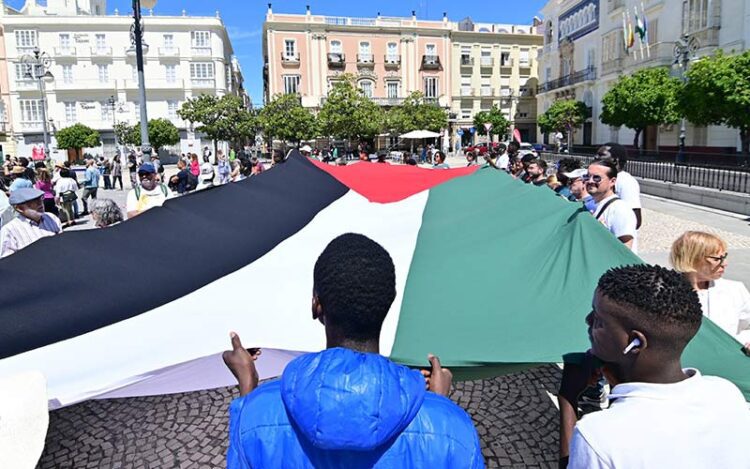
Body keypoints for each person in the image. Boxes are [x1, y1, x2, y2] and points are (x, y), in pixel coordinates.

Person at [223, 233, 484, 468]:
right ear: (389, 303)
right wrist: (440, 407)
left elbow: (249, 447)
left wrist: (248, 386)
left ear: (316, 306)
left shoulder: (254, 417)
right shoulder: (453, 431)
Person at [558, 265, 750, 468]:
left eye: (599, 320)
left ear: (635, 342)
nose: (588, 320)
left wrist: (568, 401)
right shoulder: (725, 393)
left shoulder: (599, 436)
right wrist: (615, 376)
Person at [670, 231, 750, 350]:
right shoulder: (667, 293)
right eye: (717, 259)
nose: (724, 264)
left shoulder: (735, 290)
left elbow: (747, 327)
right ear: (692, 259)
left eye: (724, 257)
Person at [585, 160, 637, 252]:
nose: (590, 181)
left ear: (612, 181)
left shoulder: (620, 209)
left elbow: (625, 249)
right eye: (587, 176)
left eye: (597, 178)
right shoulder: (591, 205)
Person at [0, 188, 62, 257]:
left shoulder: (52, 218)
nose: (40, 203)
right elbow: (7, 261)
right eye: (33, 202)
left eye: (40, 199)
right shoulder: (9, 231)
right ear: (19, 208)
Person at [596, 143, 642, 229]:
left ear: (615, 160)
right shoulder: (606, 178)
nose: (596, 157)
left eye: (601, 155)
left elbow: (635, 219)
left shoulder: (625, 181)